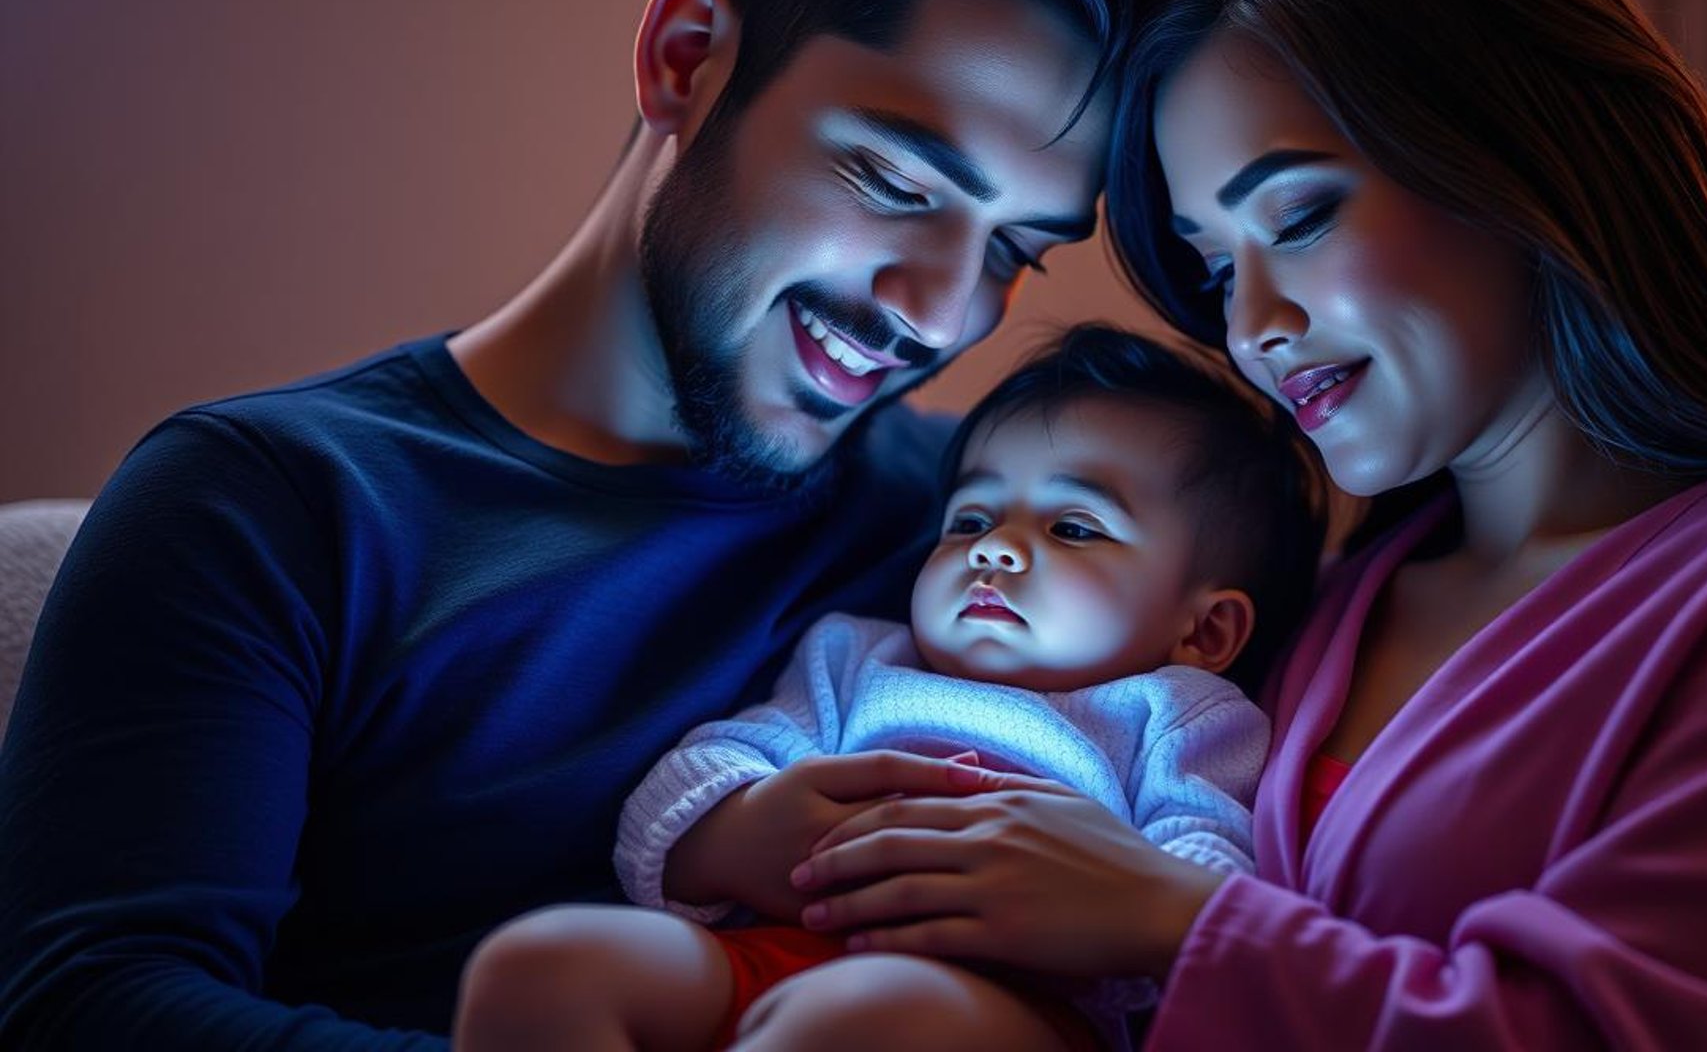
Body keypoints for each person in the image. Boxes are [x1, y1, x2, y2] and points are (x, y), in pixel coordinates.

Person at [0, 0, 1210, 1047]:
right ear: (689, 56)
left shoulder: (981, 528)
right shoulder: (267, 506)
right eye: (899, 184)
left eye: (1015, 250)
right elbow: (92, 1006)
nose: (941, 310)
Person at [742, 0, 1707, 1049]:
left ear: (1517, 154)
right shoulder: (1343, 589)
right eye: (1213, 268)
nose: (1252, 324)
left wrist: (1173, 920)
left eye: (1298, 216)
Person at [451, 325, 1322, 1051]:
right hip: (777, 949)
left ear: (1204, 630)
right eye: (972, 518)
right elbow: (696, 775)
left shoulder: (1177, 715)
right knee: (542, 962)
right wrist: (735, 828)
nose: (996, 547)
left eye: (1074, 526)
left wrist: (1115, 899)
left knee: (852, 1019)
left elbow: (1209, 879)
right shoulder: (857, 660)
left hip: (1013, 1009)